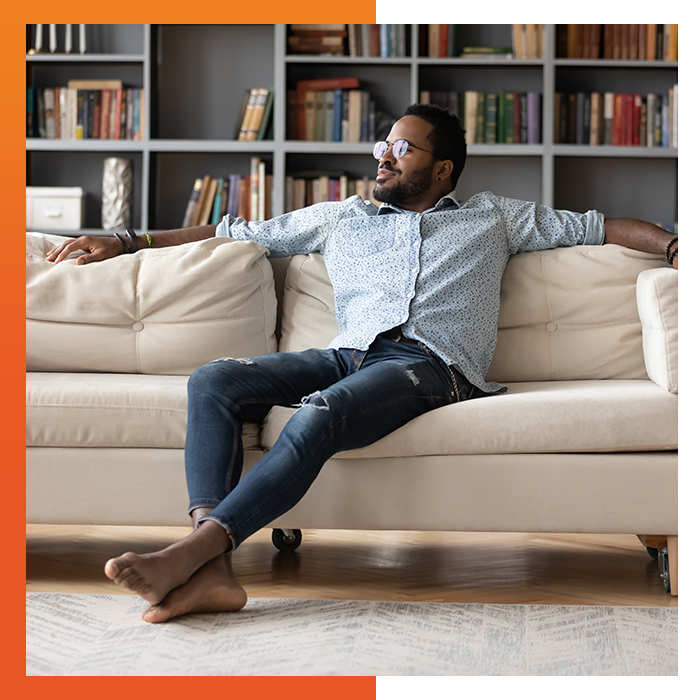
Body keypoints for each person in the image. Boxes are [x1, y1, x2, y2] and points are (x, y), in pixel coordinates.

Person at [46, 104, 679, 623]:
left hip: (433, 365)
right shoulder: (342, 217)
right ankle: (210, 569)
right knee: (215, 379)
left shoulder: (496, 218)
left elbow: (600, 226)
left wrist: (676, 245)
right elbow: (233, 231)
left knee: (320, 415)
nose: (382, 154)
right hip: (348, 355)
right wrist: (128, 240)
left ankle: (196, 553)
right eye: (384, 143)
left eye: (402, 149)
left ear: (443, 169)